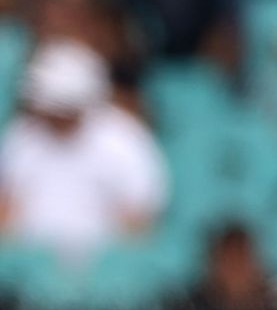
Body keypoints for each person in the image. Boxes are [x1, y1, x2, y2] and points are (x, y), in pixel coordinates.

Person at [0, 40, 167, 259]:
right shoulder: (20, 138)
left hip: (110, 268)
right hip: (29, 268)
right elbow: (6, 210)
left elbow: (142, 219)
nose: (57, 114)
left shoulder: (125, 140)